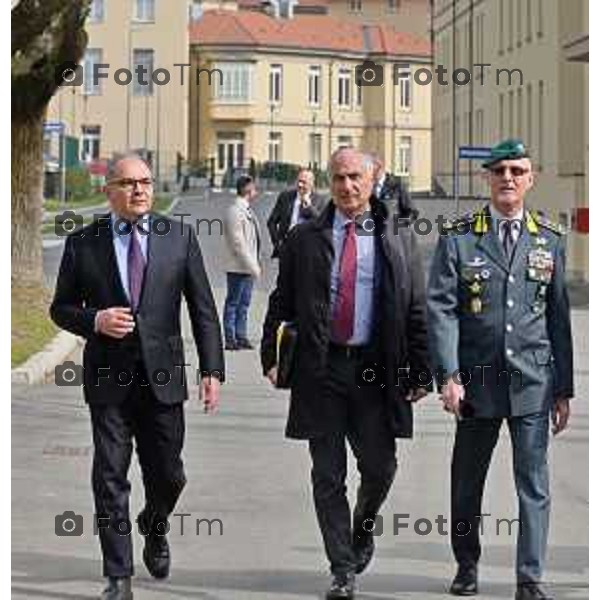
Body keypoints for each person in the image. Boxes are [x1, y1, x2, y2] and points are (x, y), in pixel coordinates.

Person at [50, 154, 224, 600]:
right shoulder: (84, 242)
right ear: (109, 190)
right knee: (109, 475)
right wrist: (95, 320)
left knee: (169, 474)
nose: (140, 190)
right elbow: (60, 308)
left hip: (164, 377)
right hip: (108, 378)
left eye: (145, 181)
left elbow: (202, 309)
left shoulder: (178, 237)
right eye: (128, 183)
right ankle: (118, 575)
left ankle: (155, 524)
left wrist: (212, 370)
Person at [261, 147, 429, 599]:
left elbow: (416, 306)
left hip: (377, 368)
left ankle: (363, 525)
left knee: (380, 466)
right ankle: (341, 569)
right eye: (338, 178)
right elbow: (282, 300)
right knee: (327, 474)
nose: (347, 186)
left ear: (374, 179)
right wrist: (270, 355)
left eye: (355, 177)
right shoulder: (305, 237)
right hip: (322, 368)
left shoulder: (397, 235)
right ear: (327, 182)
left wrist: (421, 369)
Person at [427, 139, 574, 600]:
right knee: (467, 482)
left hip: (533, 382)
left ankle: (530, 578)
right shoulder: (459, 236)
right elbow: (442, 310)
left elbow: (558, 319)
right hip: (477, 383)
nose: (508, 178)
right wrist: (449, 375)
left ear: (530, 179)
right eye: (499, 171)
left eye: (517, 170)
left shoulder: (549, 239)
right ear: (486, 179)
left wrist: (563, 388)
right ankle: (467, 566)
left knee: (533, 484)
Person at [222, 174, 261, 350]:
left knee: (244, 303)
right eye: (254, 187)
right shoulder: (234, 211)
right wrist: (252, 266)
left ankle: (241, 335)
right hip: (238, 266)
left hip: (248, 266)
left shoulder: (246, 209)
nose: (256, 190)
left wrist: (254, 264)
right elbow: (238, 243)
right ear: (247, 190)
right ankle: (230, 338)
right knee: (233, 302)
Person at [266, 168, 326, 258]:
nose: (300, 185)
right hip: (286, 248)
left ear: (312, 184)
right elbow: (271, 222)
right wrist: (277, 243)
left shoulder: (320, 200)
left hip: (308, 250)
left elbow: (322, 224)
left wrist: (310, 207)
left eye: (304, 182)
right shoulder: (285, 197)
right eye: (298, 181)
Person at [370, 153, 417, 220]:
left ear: (380, 167)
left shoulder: (397, 186)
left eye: (370, 168)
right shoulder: (366, 187)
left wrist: (401, 225)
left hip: (393, 229)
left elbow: (412, 212)